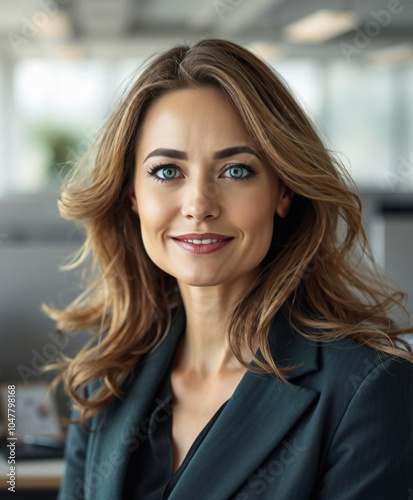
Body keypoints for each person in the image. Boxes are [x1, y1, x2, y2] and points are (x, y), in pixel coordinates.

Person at [45, 39, 413, 500]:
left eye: (236, 170)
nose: (199, 205)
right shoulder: (109, 370)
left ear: (284, 192)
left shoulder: (368, 389)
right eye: (166, 171)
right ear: (132, 194)